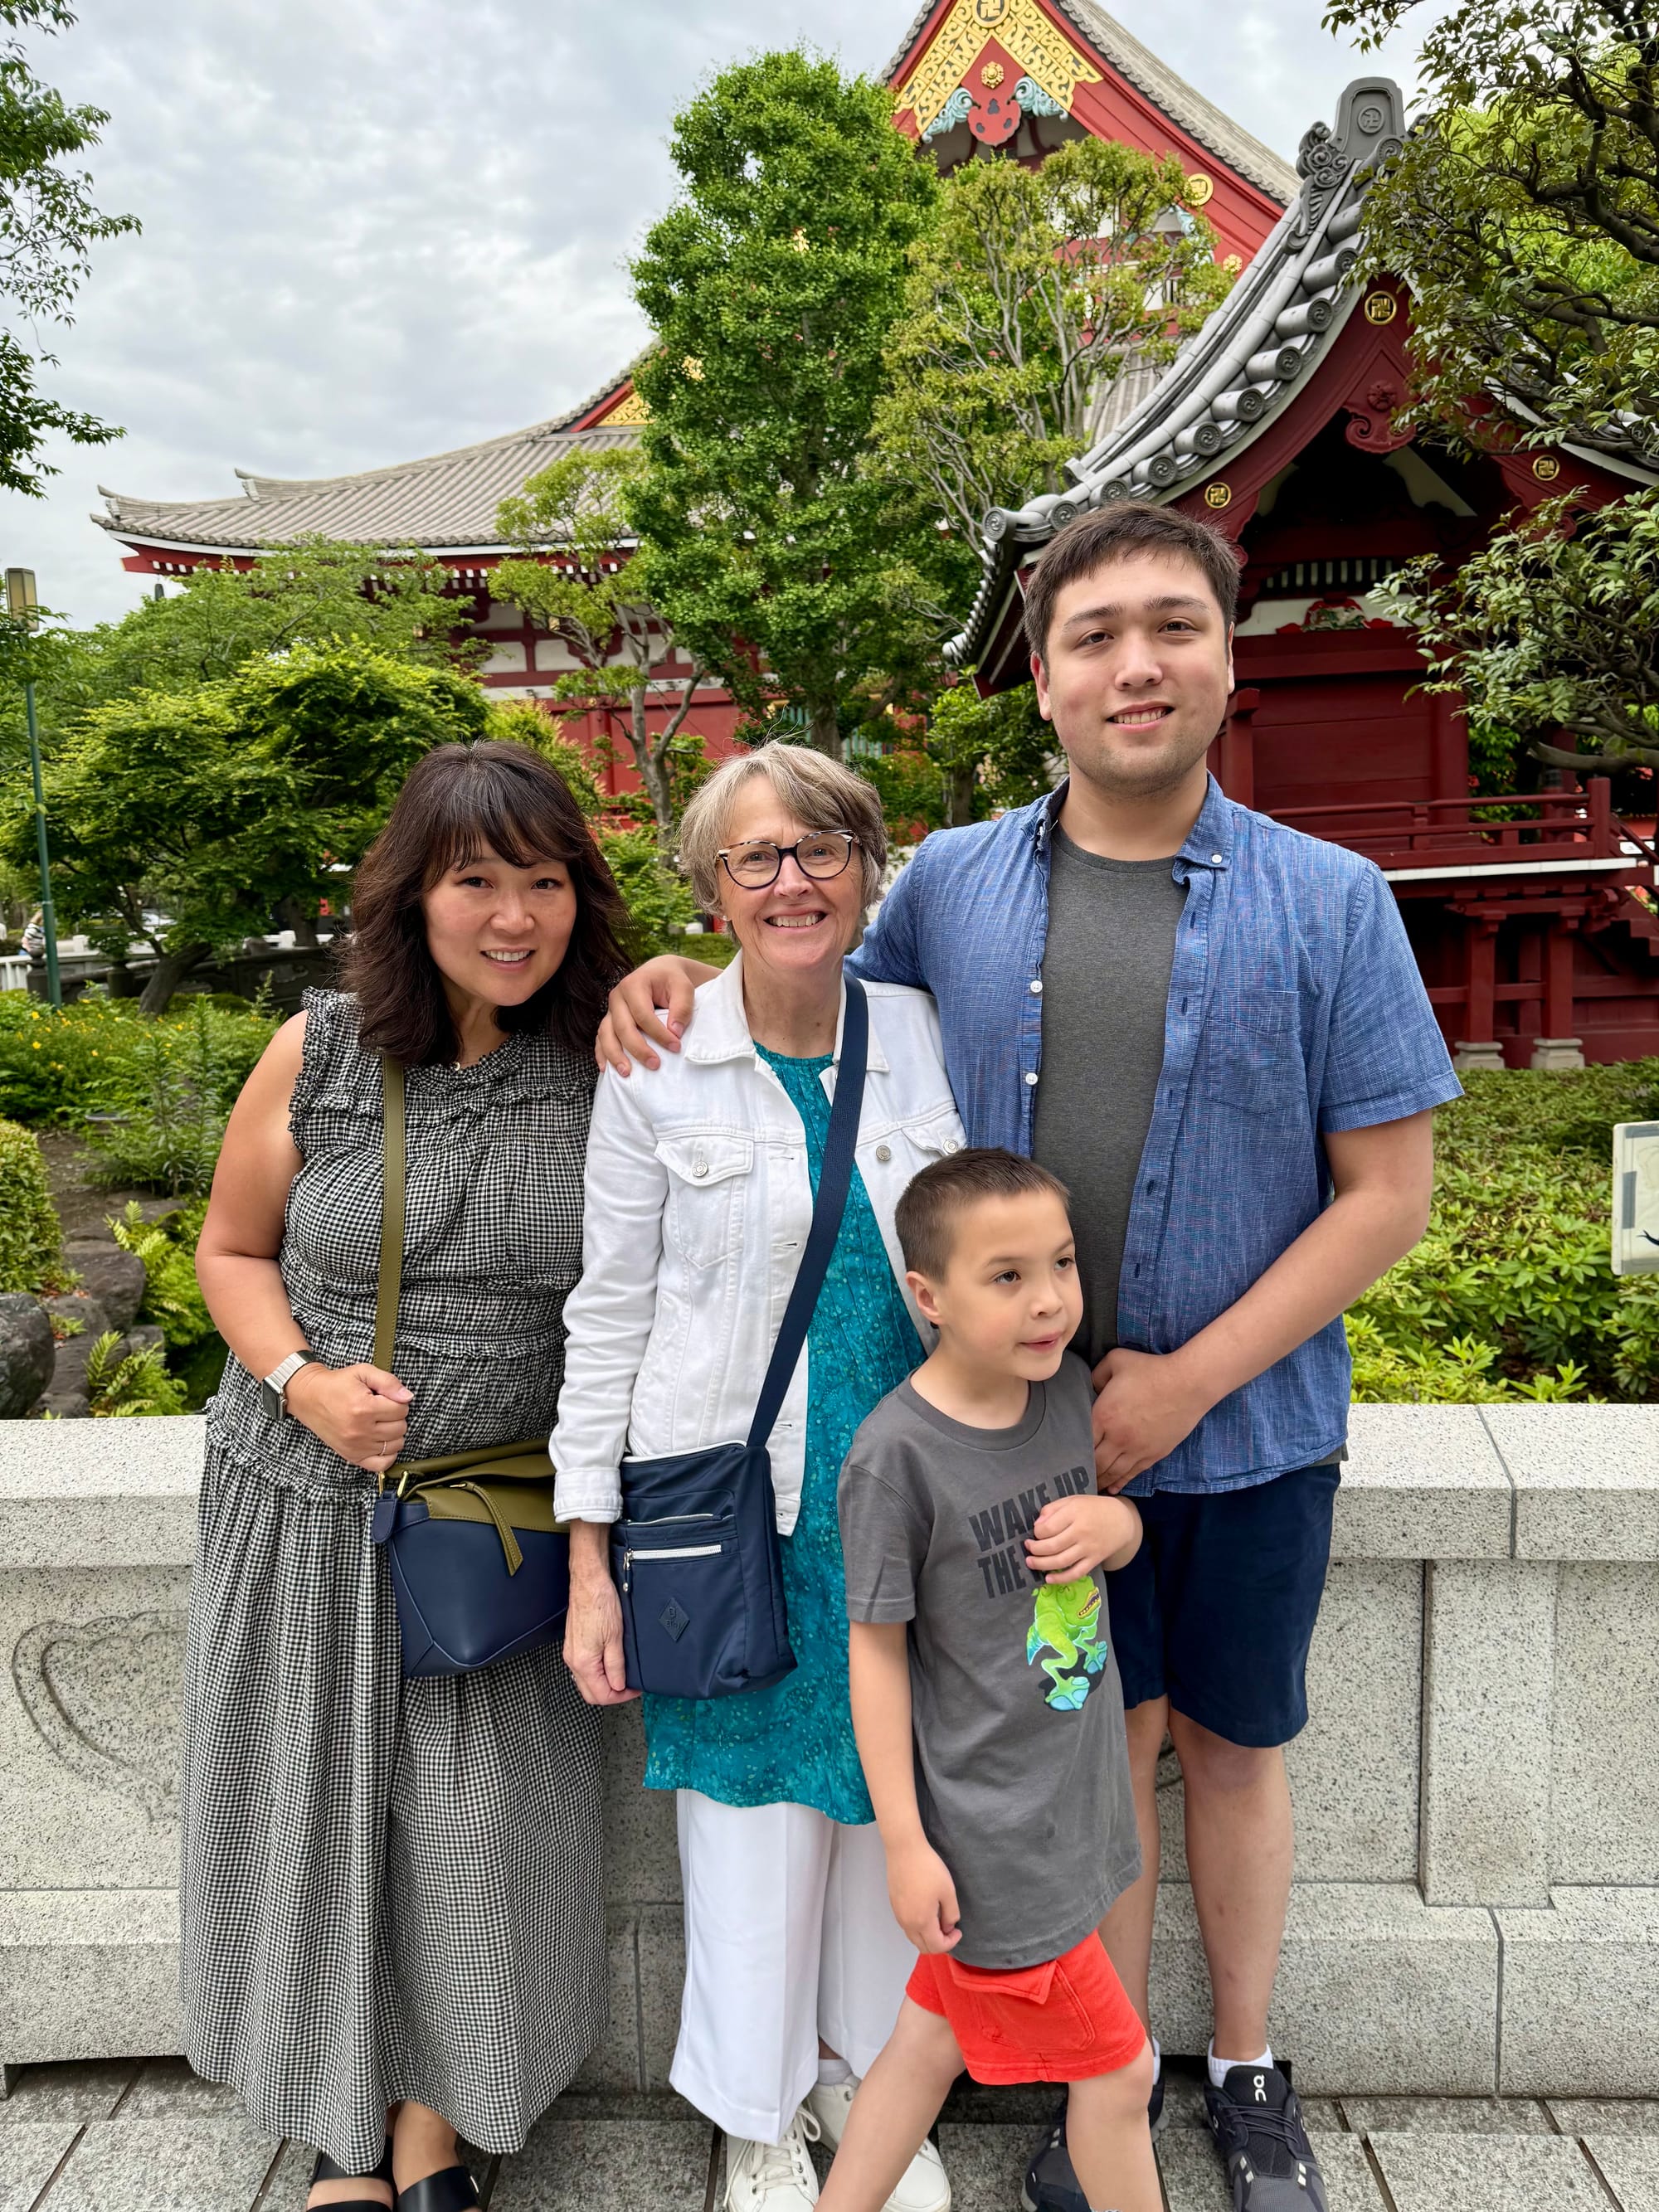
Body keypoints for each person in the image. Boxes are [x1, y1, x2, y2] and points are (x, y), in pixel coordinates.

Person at [596, 501, 1462, 2212]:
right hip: (1023, 1462)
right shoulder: (951, 886)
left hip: (1250, 1431)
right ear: (1042, 682)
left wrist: (1186, 1378)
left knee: (1231, 1740)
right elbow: (811, 990)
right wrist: (674, 972)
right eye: (1092, 636)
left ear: (1229, 657)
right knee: (1091, 1737)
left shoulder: (1333, 900)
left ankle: (1247, 2060)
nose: (1134, 663)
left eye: (1171, 627)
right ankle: (1103, 2086)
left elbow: (1388, 1195)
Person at [186, 741, 630, 2212]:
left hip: (499, 1518)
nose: (515, 916)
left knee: (478, 1832)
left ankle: (441, 2126)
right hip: (304, 1505)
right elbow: (231, 1251)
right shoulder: (317, 1049)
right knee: (321, 1817)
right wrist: (300, 1381)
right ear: (412, 895)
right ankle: (342, 2129)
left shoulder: (611, 1062)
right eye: (476, 880)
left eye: (545, 881)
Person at [551, 742, 963, 2212]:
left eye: (822, 850)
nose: (792, 881)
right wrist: (589, 1554)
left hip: (907, 1492)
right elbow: (608, 1309)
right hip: (735, 1503)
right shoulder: (660, 1057)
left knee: (878, 1795)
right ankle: (753, 2108)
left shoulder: (922, 1031)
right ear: (711, 888)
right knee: (744, 1815)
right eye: (756, 858)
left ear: (866, 866)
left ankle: (863, 2073)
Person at [827, 1149, 1155, 2212]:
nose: (1049, 1299)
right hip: (991, 1838)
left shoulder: (1060, 1391)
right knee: (1117, 2074)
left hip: (1073, 1800)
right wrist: (905, 1842)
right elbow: (873, 1655)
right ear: (927, 1296)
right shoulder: (894, 1457)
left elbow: (1118, 1532)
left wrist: (1117, 1525)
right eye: (1005, 1276)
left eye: (1059, 1264)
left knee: (926, 2043)